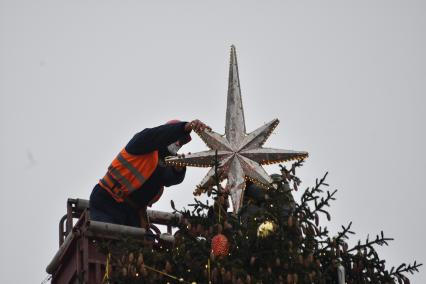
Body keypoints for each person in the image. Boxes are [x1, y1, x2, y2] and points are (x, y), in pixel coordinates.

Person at [89, 119, 210, 228]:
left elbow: (169, 178)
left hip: (132, 212)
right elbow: (161, 134)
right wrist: (185, 127)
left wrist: (178, 170)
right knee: (108, 240)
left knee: (143, 247)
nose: (179, 144)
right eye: (179, 139)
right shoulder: (143, 141)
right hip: (108, 201)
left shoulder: (162, 161)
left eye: (182, 142)